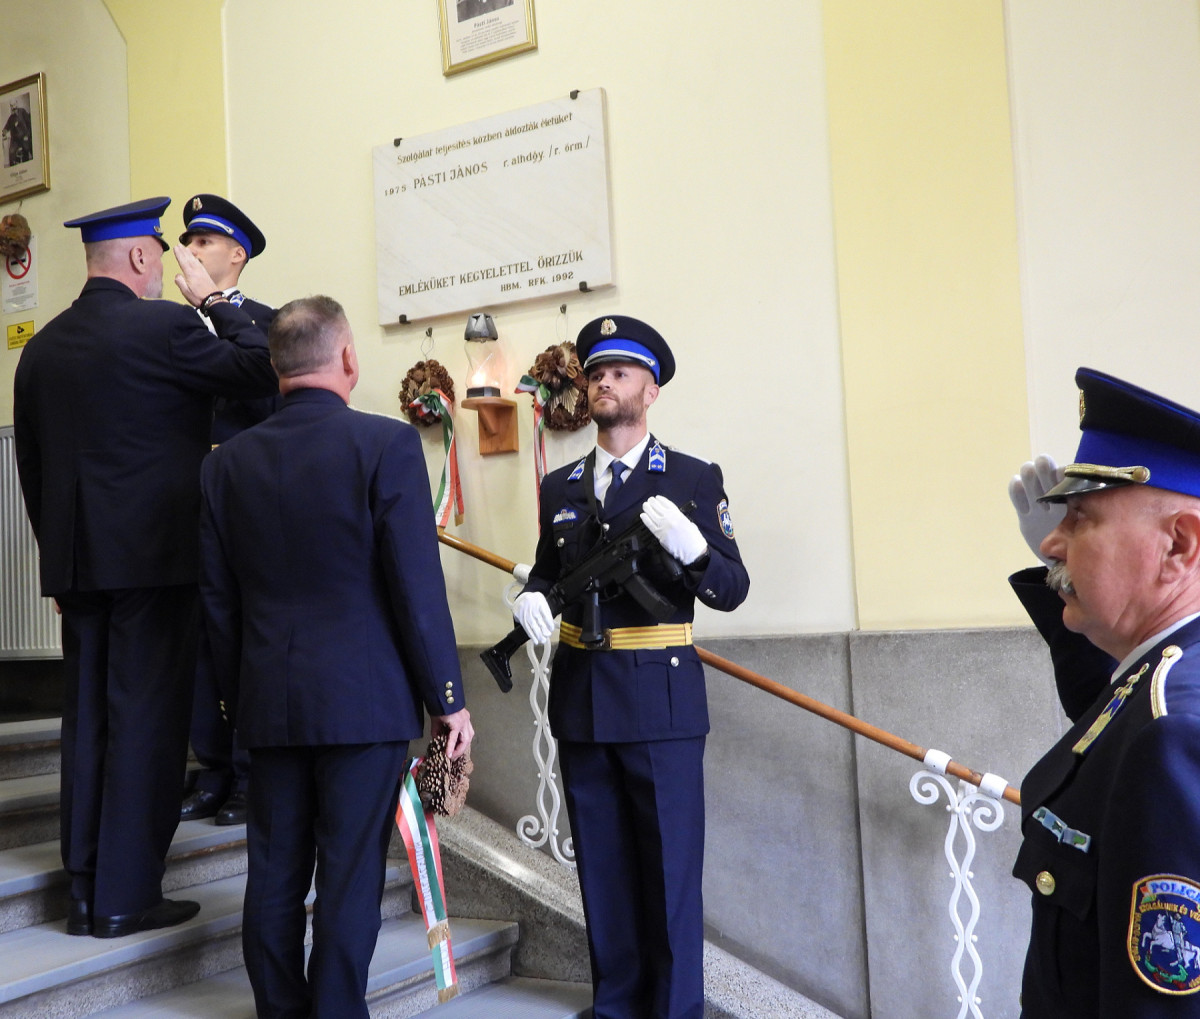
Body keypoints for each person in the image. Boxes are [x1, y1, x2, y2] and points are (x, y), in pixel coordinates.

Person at [197, 295, 473, 1018]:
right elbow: (416, 588)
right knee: (349, 881)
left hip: (268, 704)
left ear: (275, 366)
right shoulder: (385, 445)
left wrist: (237, 700)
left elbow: (218, 605)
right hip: (363, 703)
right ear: (347, 357)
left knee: (275, 876)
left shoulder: (225, 467)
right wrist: (448, 697)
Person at [12, 196, 279, 938]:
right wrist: (218, 300)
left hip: (78, 567)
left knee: (89, 720)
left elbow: (32, 468)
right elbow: (263, 365)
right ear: (137, 258)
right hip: (157, 564)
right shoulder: (163, 326)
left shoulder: (43, 348)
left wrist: (60, 564)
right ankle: (127, 896)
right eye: (162, 255)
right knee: (147, 724)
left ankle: (88, 887)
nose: (169, 267)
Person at [512, 315, 750, 1019]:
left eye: (618, 372)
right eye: (594, 372)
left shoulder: (691, 476)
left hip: (661, 698)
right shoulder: (561, 486)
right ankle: (615, 1004)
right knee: (605, 868)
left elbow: (733, 589)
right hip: (583, 695)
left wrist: (698, 552)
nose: (603, 382)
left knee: (670, 869)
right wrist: (529, 596)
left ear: (649, 390)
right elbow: (550, 571)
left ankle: (677, 1009)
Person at [1008, 366, 1200, 1016]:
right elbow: (1110, 718)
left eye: (1082, 518)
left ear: (1178, 544)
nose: (1053, 542)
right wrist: (1067, 575)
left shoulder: (1179, 730)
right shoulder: (1160, 682)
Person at [177, 193, 279, 828]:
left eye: (202, 242)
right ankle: (211, 766)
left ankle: (248, 773)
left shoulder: (273, 323)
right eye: (186, 241)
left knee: (244, 639)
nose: (187, 251)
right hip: (184, 503)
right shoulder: (171, 328)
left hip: (248, 506)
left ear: (235, 254)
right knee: (197, 644)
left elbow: (271, 400)